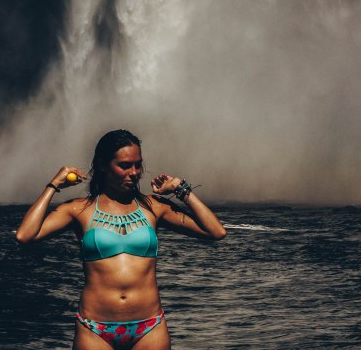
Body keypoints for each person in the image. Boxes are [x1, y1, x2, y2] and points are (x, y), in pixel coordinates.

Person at [15, 128, 227, 349]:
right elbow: (25, 235)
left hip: (150, 327)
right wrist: (53, 185)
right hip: (94, 329)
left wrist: (181, 189)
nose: (134, 172)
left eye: (138, 165)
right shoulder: (79, 209)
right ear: (103, 165)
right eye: (125, 165)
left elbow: (216, 232)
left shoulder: (154, 207)